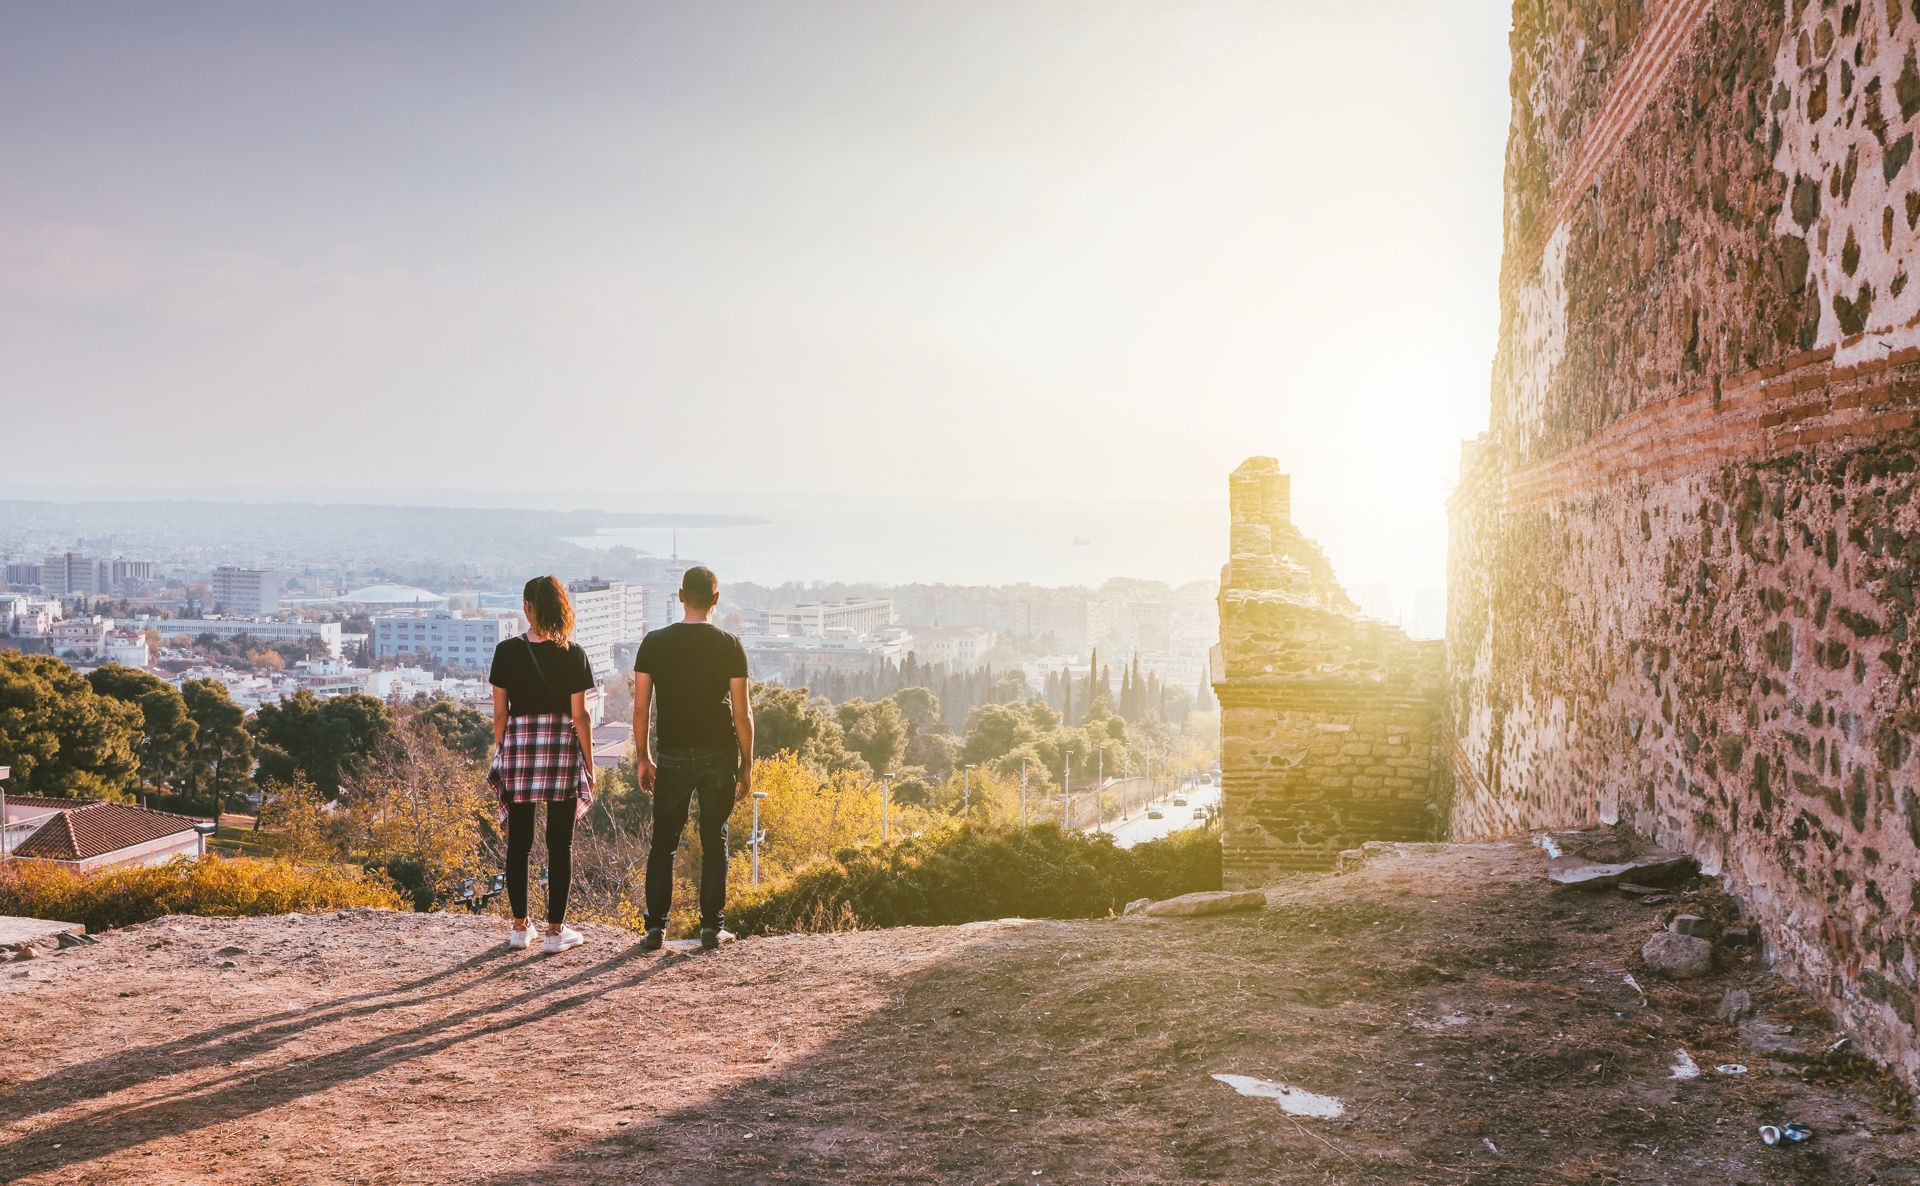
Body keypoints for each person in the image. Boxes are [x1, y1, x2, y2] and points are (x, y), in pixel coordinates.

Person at [633, 565, 753, 951]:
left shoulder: (654, 642)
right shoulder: (730, 645)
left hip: (672, 752)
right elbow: (742, 711)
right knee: (713, 840)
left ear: (680, 596)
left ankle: (655, 929)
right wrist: (747, 763)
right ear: (715, 599)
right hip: (720, 752)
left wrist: (643, 756)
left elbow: (640, 709)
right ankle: (711, 928)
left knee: (664, 841)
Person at [487, 575, 595, 954]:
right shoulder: (574, 653)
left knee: (518, 843)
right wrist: (590, 764)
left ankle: (519, 928)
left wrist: (502, 748)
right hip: (561, 752)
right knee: (559, 844)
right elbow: (580, 717)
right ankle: (554, 932)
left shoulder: (505, 651)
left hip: (519, 750)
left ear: (529, 607)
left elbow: (500, 714)